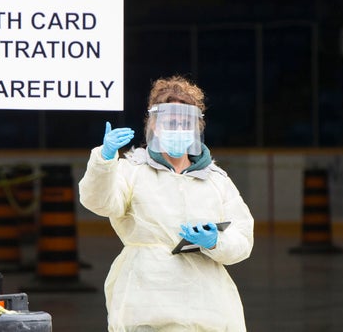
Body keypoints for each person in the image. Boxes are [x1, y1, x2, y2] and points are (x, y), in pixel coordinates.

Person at [78, 75, 254, 331]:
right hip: (146, 304)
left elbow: (243, 240)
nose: (178, 128)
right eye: (170, 122)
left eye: (185, 123)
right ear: (155, 126)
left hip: (207, 309)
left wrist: (216, 242)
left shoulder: (216, 180)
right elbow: (100, 202)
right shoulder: (133, 171)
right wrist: (104, 160)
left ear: (196, 128)